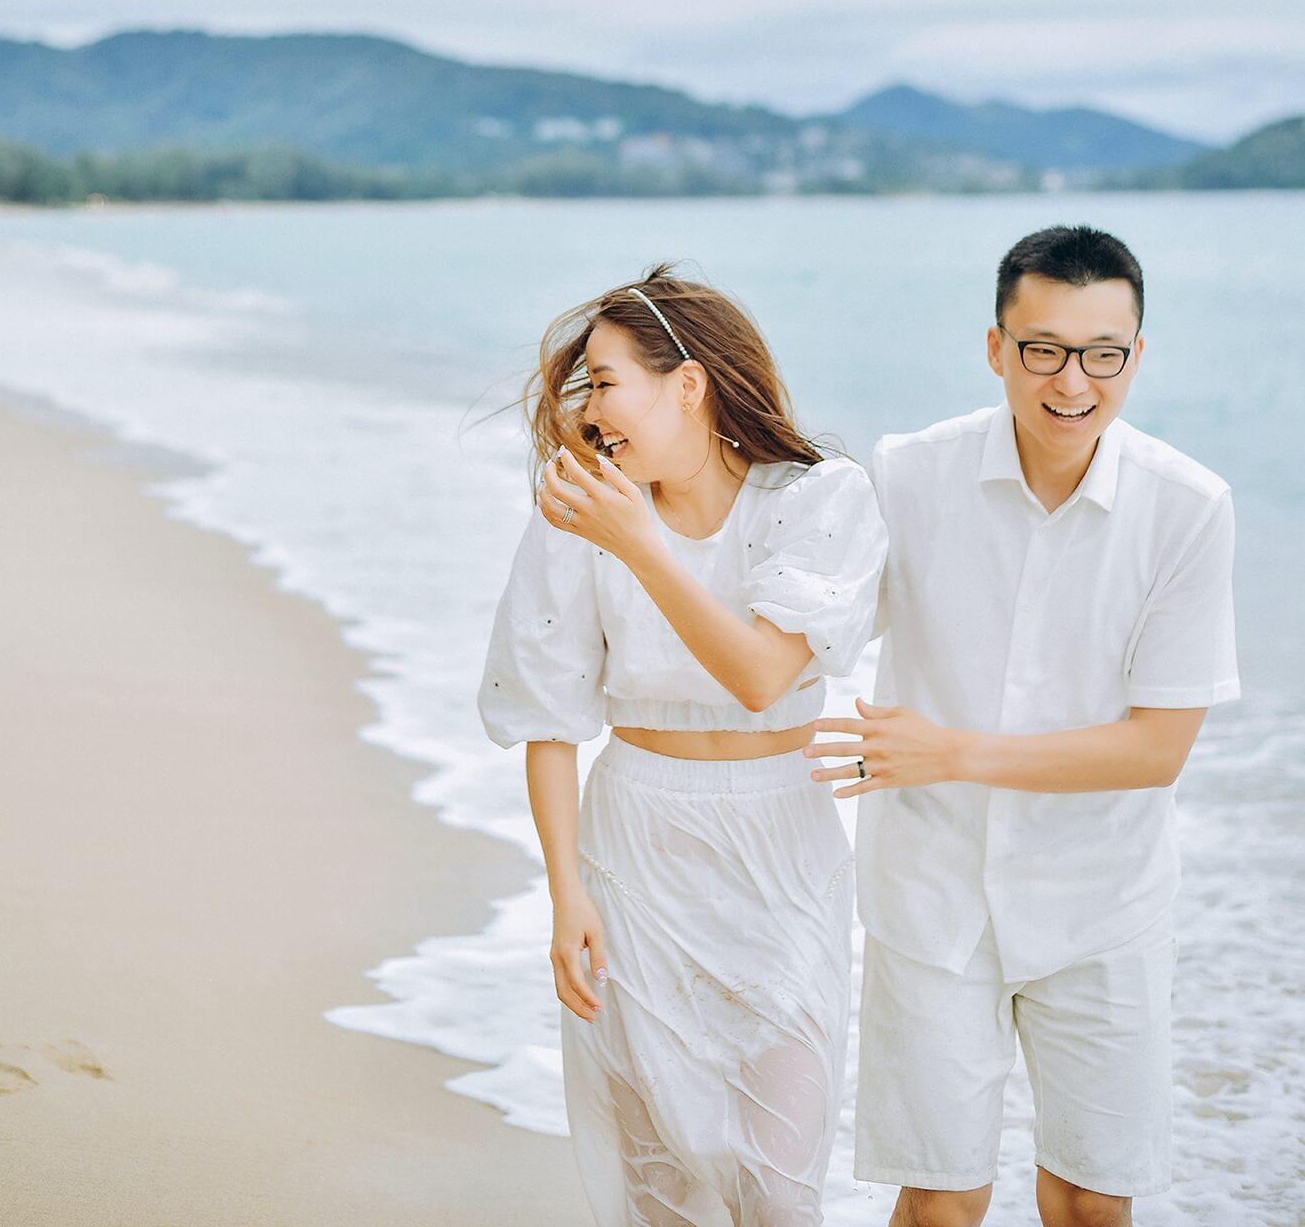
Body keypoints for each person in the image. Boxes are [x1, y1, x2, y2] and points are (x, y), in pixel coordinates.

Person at [808, 224, 1239, 1227]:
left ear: (1136, 354)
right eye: (1041, 348)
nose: (1072, 382)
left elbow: (1154, 748)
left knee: (1090, 1197)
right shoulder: (907, 471)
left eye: (1103, 353)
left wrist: (949, 751)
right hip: (931, 893)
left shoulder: (1185, 507)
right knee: (941, 1195)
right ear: (996, 347)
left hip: (1102, 904)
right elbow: (807, 631)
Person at [479, 265, 887, 1227]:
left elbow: (758, 674)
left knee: (776, 1193)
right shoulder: (585, 515)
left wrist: (641, 544)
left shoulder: (820, 499)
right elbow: (547, 715)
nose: (590, 408)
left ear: (689, 384)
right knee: (661, 1187)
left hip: (780, 843)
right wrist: (564, 890)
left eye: (607, 379)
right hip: (633, 848)